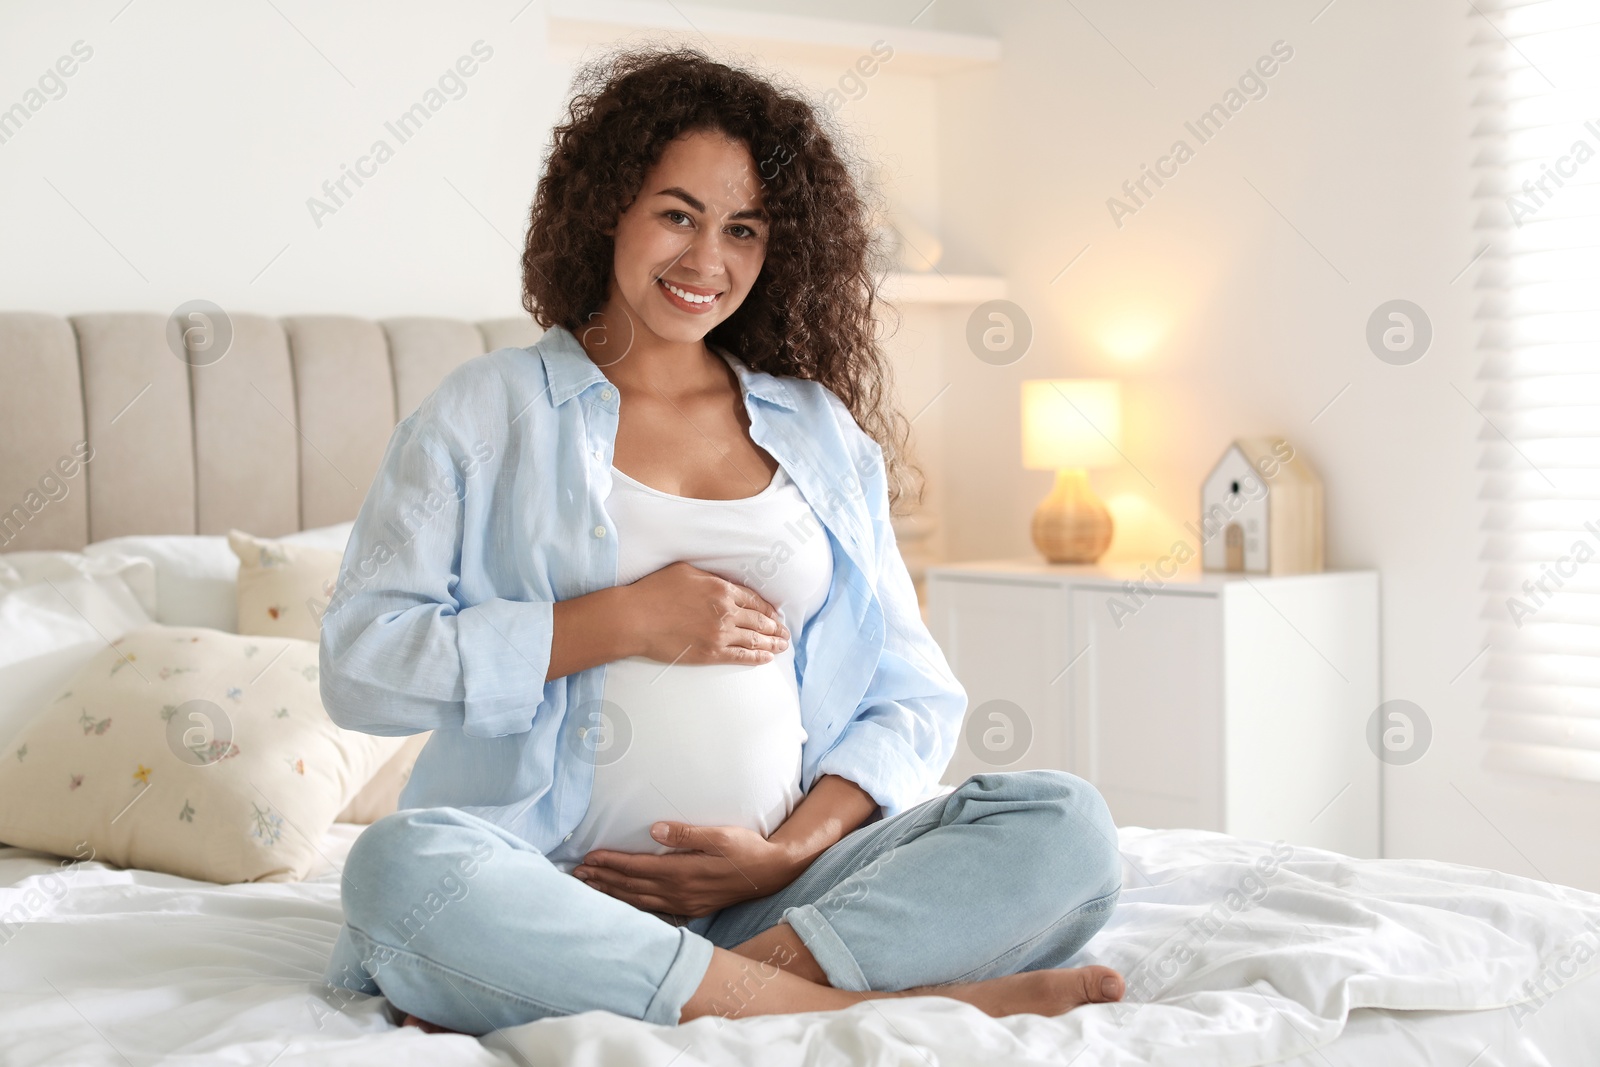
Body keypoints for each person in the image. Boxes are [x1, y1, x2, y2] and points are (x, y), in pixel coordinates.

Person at [319, 46, 1124, 1036]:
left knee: (1062, 824)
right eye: (676, 214)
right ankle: (869, 1008)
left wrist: (787, 853)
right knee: (401, 871)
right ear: (607, 207)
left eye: (743, 228)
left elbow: (908, 697)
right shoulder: (487, 410)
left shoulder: (818, 430)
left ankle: (714, 987)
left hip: (783, 906)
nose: (707, 261)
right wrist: (617, 620)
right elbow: (362, 663)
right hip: (540, 886)